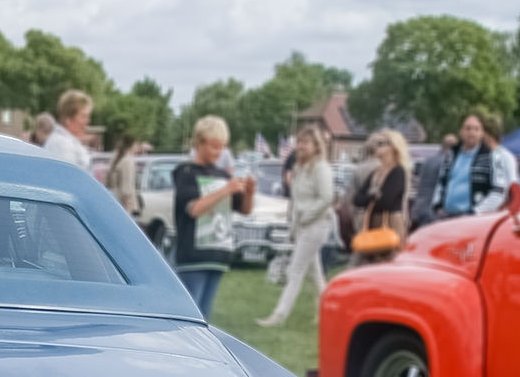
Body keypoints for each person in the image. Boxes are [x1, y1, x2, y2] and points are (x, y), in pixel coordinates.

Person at [171, 115, 253, 319]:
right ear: (198, 143)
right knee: (191, 315)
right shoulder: (186, 173)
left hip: (217, 253)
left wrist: (249, 192)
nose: (218, 153)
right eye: (214, 146)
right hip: (193, 256)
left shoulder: (222, 175)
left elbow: (243, 209)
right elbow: (194, 209)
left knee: (205, 315)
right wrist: (226, 189)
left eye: (222, 147)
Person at [257, 126, 334, 326]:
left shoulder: (321, 168)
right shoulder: (300, 168)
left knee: (295, 270)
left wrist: (306, 216)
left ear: (316, 146)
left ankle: (279, 315)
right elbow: (296, 199)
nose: (300, 146)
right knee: (315, 274)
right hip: (302, 226)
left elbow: (326, 197)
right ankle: (329, 311)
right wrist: (294, 224)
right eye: (299, 142)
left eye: (306, 143)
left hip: (316, 225)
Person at [351, 128, 411, 264]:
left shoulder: (398, 172)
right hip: (372, 223)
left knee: (388, 262)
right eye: (377, 143)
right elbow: (357, 199)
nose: (376, 146)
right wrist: (372, 196)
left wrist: (370, 196)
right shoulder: (375, 173)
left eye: (382, 143)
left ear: (393, 147)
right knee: (367, 262)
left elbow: (387, 201)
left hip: (390, 224)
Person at [433, 113, 506, 219]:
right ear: (461, 132)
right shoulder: (451, 155)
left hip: (473, 220)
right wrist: (437, 206)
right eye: (468, 128)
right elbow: (440, 183)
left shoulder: (492, 157)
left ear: (482, 133)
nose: (471, 132)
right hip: (446, 217)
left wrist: (477, 212)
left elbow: (499, 191)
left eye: (476, 129)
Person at [410, 133, 456, 230]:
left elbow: (421, 184)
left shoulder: (429, 161)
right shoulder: (450, 163)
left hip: (420, 207)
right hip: (435, 212)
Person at [43, 90, 92, 169]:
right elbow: (69, 178)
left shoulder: (65, 142)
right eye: (83, 116)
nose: (88, 121)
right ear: (68, 119)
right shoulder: (62, 145)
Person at [481, 112, 518, 205]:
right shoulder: (481, 155)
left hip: (497, 210)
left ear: (488, 134)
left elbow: (513, 186)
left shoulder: (505, 156)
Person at [105, 132, 138, 214]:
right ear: (132, 145)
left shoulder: (115, 157)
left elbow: (107, 181)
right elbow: (126, 189)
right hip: (123, 205)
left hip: (112, 201)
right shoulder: (128, 161)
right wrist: (128, 210)